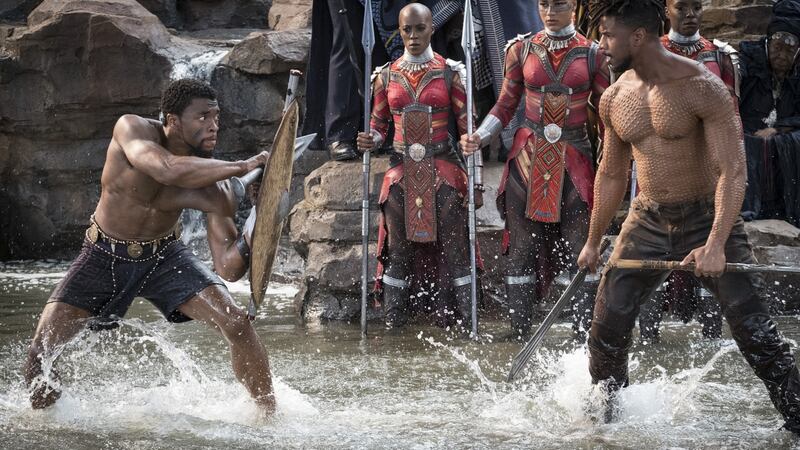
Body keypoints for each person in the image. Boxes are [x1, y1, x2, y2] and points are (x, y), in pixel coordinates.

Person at [579, 0, 800, 431]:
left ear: (637, 36)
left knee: (756, 333)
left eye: (608, 35)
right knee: (607, 328)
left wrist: (716, 242)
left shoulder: (702, 86)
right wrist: (593, 240)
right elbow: (610, 174)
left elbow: (734, 170)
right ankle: (607, 424)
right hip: (647, 219)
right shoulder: (616, 96)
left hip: (707, 214)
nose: (601, 44)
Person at [23, 79, 276, 415]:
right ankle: (45, 426)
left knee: (238, 324)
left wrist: (259, 222)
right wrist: (245, 166)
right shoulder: (133, 128)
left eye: (217, 117)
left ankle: (268, 416)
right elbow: (165, 169)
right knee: (41, 353)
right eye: (203, 117)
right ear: (172, 120)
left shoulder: (212, 182)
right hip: (103, 254)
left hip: (165, 257)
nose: (213, 126)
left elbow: (229, 267)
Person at [461, 0, 610, 339]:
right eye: (544, 3)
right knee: (521, 249)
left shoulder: (594, 54)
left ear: (573, 5)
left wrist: (617, 159)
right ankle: (519, 331)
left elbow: (606, 113)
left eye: (559, 3)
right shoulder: (521, 49)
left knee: (581, 248)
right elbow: (505, 103)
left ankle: (585, 333)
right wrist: (480, 137)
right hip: (526, 159)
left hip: (575, 159)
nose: (550, 10)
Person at [357, 3, 480, 331]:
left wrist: (475, 173)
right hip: (400, 173)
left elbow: (468, 127)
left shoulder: (450, 72)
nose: (413, 36)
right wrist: (370, 139)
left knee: (456, 251)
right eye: (406, 30)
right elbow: (379, 125)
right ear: (399, 31)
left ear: (431, 29)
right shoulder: (385, 76)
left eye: (420, 29)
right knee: (398, 253)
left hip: (444, 169)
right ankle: (393, 325)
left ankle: (468, 323)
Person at [637, 0, 737, 341]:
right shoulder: (647, 55)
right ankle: (648, 345)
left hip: (708, 170)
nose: (690, 13)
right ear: (667, 10)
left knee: (710, 252)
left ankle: (710, 345)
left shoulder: (720, 57)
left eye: (697, 6)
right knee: (651, 256)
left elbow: (733, 121)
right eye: (682, 7)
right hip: (661, 167)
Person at [739, 0, 800, 226]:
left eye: (789, 50)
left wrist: (777, 129)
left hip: (782, 129)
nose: (782, 55)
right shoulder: (749, 57)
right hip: (748, 129)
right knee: (743, 143)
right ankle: (747, 207)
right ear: (767, 44)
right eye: (777, 48)